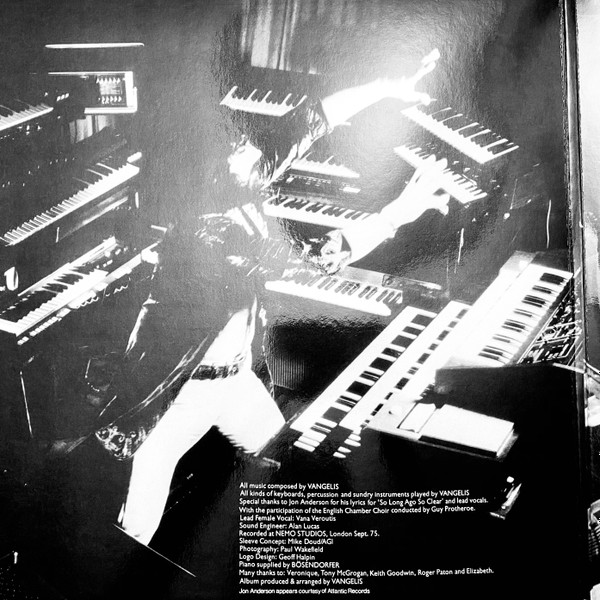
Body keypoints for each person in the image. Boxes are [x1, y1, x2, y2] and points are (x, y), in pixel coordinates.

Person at [95, 49, 450, 546]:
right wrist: (398, 213)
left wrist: (385, 87)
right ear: (218, 168)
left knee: (288, 463)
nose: (256, 152)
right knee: (136, 531)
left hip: (236, 381)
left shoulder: (235, 182)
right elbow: (317, 256)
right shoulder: (213, 230)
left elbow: (309, 122)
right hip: (180, 394)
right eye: (242, 148)